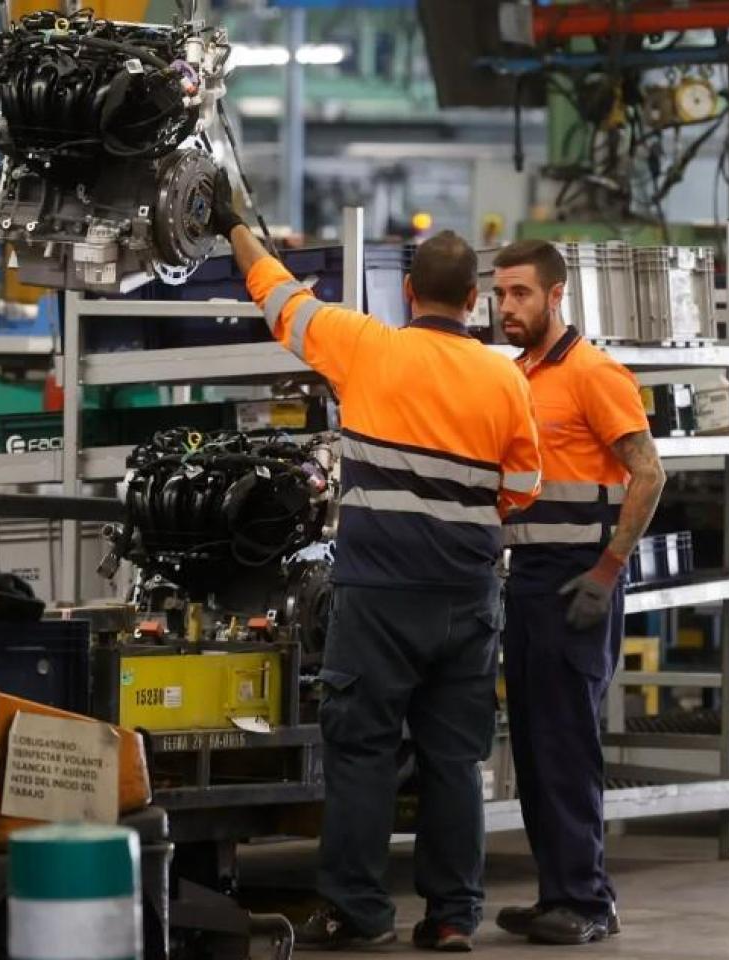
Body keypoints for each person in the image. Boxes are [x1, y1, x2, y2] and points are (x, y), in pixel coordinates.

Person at [208, 174, 542, 952]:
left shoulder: (364, 346)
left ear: (412, 293)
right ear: (473, 300)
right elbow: (523, 489)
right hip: (466, 596)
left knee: (360, 756)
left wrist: (234, 227)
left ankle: (360, 914)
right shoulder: (504, 377)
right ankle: (454, 915)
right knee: (455, 761)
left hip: (379, 594)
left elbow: (280, 297)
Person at [488, 239, 666, 946]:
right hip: (527, 584)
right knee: (532, 745)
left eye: (521, 294)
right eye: (500, 294)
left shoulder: (595, 374)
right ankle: (556, 891)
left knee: (566, 744)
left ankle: (589, 900)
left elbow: (648, 474)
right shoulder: (516, 377)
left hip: (576, 583)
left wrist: (607, 570)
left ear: (556, 295)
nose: (507, 307)